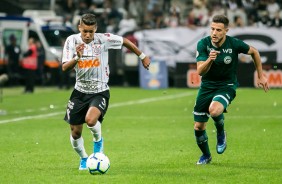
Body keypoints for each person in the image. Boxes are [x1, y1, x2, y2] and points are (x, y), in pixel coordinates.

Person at [61, 13, 150, 170]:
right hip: (79, 91)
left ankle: (98, 142)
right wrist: (77, 57)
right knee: (75, 133)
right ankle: (83, 158)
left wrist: (142, 56)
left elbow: (125, 41)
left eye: (91, 31)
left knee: (90, 120)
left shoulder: (104, 39)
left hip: (100, 91)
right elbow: (64, 67)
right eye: (85, 31)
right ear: (79, 28)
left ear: (96, 29)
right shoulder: (71, 41)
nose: (88, 35)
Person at [193, 14, 269, 165]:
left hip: (226, 86)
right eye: (212, 29)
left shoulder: (234, 44)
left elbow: (254, 52)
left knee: (214, 110)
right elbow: (200, 71)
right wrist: (210, 59)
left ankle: (221, 132)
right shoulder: (203, 44)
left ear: (226, 31)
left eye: (219, 30)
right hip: (207, 86)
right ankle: (206, 156)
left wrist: (260, 76)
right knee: (199, 126)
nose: (214, 33)